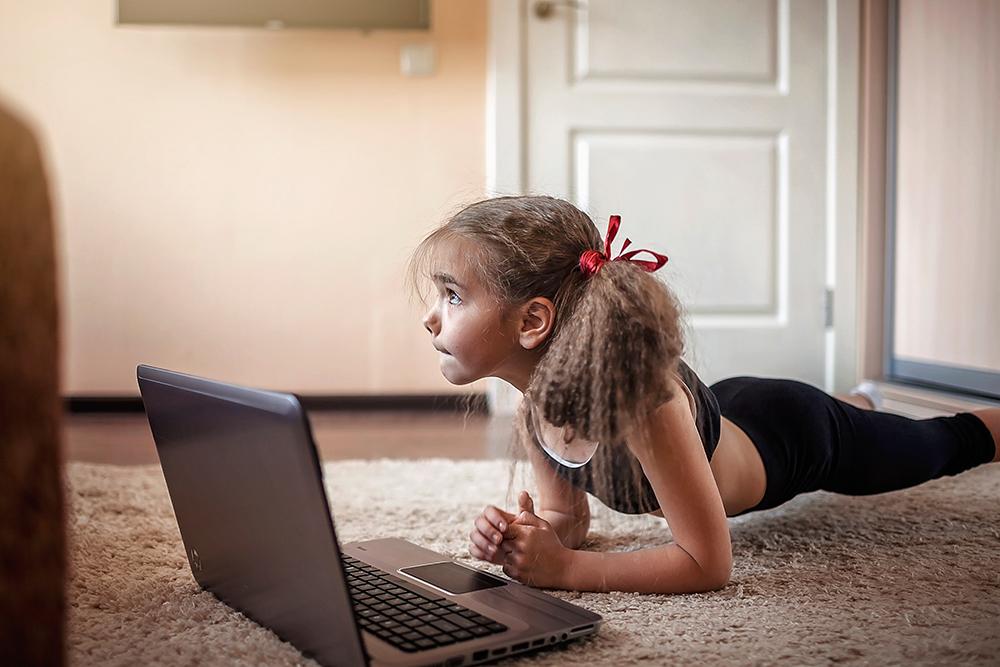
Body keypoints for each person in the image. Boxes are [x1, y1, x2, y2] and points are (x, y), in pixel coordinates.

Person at [409, 195, 1000, 595]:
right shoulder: (536, 399)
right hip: (734, 408)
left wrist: (567, 570)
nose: (431, 318)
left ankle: (870, 411)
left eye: (453, 296)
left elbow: (707, 563)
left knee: (937, 446)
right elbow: (567, 515)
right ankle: (860, 400)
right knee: (858, 414)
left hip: (794, 436)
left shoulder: (639, 402)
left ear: (532, 322)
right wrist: (527, 539)